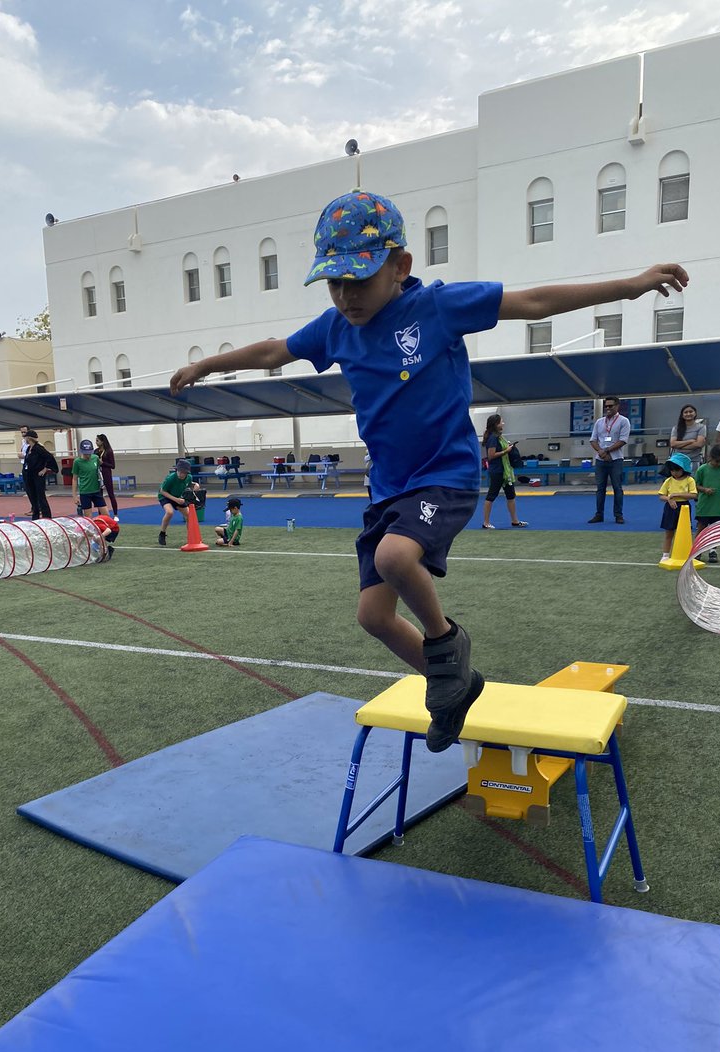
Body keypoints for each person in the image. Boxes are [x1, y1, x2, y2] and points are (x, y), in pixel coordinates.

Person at [169, 189, 687, 752]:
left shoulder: (436, 308)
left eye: (359, 281)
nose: (346, 297)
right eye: (334, 283)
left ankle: (446, 644)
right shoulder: (336, 327)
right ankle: (455, 684)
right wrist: (207, 364)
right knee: (373, 617)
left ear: (400, 267)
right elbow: (274, 352)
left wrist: (632, 284)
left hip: (446, 474)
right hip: (389, 488)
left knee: (395, 558)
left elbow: (534, 301)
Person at [588, 397, 630, 524]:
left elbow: (623, 440)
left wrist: (607, 451)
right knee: (600, 488)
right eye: (606, 406)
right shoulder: (599, 422)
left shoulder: (624, 421)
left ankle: (618, 515)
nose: (608, 408)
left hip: (616, 459)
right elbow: (593, 440)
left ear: (617, 406)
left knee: (617, 488)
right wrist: (601, 452)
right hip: (600, 460)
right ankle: (599, 514)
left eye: (611, 406)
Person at [481, 414, 528, 529]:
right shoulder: (493, 438)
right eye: (501, 422)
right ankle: (486, 522)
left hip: (506, 471)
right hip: (497, 471)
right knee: (491, 495)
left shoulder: (500, 437)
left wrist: (509, 448)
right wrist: (506, 451)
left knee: (511, 496)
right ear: (496, 424)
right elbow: (491, 456)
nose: (503, 423)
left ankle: (515, 521)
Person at [694, 444, 720, 563]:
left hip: (719, 506)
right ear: (711, 457)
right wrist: (705, 489)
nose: (718, 464)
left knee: (715, 529)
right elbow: (696, 485)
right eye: (717, 461)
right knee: (701, 527)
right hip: (705, 505)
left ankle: (713, 550)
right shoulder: (702, 469)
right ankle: (697, 550)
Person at [658, 452, 697, 563]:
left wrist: (677, 495)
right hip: (670, 508)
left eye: (677, 470)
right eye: (672, 470)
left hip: (684, 507)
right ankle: (665, 555)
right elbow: (661, 496)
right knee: (669, 532)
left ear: (683, 469)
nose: (674, 473)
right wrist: (669, 499)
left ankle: (686, 553)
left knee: (684, 532)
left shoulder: (690, 480)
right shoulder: (669, 481)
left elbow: (694, 495)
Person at [157, 458, 200, 546]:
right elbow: (162, 491)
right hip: (165, 496)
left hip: (177, 497)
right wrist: (176, 500)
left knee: (189, 515)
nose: (181, 474)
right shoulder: (171, 478)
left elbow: (189, 483)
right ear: (177, 470)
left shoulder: (188, 477)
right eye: (180, 472)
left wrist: (196, 485)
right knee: (169, 512)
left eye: (184, 473)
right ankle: (162, 533)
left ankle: (191, 536)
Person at [22, 431, 58, 520]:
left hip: (38, 475)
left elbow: (50, 458)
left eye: (26, 437)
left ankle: (47, 517)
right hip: (29, 475)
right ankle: (35, 516)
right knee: (32, 496)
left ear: (29, 438)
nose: (25, 439)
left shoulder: (39, 448)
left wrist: (45, 469)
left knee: (40, 496)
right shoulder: (28, 448)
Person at [71, 439, 109, 520]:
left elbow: (101, 468)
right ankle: (91, 532)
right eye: (86, 453)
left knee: (106, 514)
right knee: (88, 517)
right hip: (85, 492)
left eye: (89, 453)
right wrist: (74, 495)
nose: (88, 455)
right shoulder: (77, 462)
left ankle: (106, 531)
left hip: (96, 491)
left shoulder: (95, 458)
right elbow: (74, 479)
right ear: (81, 451)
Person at [669, 403, 707, 471]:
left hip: (694, 461)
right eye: (686, 412)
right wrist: (689, 441)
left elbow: (699, 444)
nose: (688, 414)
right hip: (678, 461)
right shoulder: (676, 428)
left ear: (695, 413)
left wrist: (679, 445)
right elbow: (672, 444)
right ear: (682, 415)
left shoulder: (701, 427)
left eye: (691, 411)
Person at [95, 433, 119, 519]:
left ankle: (115, 514)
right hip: (97, 475)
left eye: (97, 440)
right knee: (99, 495)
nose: (96, 442)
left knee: (111, 494)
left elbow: (113, 466)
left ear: (102, 441)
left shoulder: (109, 451)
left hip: (106, 474)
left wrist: (103, 463)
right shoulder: (96, 451)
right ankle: (100, 515)